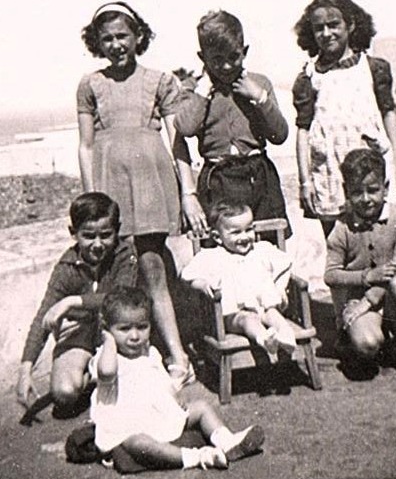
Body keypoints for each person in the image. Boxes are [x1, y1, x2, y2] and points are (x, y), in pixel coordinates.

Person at [78, 1, 206, 384]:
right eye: (107, 39)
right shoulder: (90, 85)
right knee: (116, 274)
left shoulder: (160, 80)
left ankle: (179, 356)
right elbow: (86, 146)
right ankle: (122, 365)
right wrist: (91, 202)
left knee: (153, 269)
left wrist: (188, 192)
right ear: (97, 42)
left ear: (138, 37)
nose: (116, 44)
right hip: (110, 186)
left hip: (151, 184)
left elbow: (178, 140)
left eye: (123, 36)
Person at [89, 285, 265, 471]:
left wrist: (173, 394)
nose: (135, 336)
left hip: (157, 415)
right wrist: (108, 340)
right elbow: (107, 373)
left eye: (142, 327)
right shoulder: (106, 357)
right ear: (107, 329)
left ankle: (226, 441)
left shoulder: (150, 353)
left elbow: (160, 379)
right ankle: (197, 457)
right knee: (139, 443)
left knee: (201, 408)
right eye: (124, 329)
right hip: (128, 425)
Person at [292, 0, 396, 237]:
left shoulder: (373, 68)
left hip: (372, 169)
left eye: (333, 25)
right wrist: (305, 181)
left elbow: (389, 114)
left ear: (350, 25)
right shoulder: (309, 77)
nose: (326, 33)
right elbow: (303, 130)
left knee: (382, 237)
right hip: (331, 173)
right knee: (340, 242)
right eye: (319, 28)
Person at [16, 192, 139, 416]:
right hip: (81, 333)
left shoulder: (124, 254)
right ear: (73, 233)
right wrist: (26, 370)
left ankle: (105, 372)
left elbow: (120, 297)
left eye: (106, 235)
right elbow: (43, 316)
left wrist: (72, 302)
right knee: (64, 393)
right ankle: (91, 375)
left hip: (113, 331)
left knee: (136, 385)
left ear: (117, 230)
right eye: (89, 236)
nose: (98, 244)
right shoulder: (67, 267)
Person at [174, 9, 291, 241]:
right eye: (217, 59)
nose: (227, 66)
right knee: (221, 244)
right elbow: (185, 127)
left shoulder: (259, 83)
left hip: (259, 176)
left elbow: (280, 134)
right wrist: (203, 93)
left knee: (268, 244)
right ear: (202, 57)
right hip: (218, 180)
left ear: (244, 51)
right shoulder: (194, 89)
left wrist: (260, 98)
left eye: (233, 57)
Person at [324, 148, 396, 379]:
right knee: (368, 344)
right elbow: (330, 275)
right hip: (357, 300)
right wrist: (366, 277)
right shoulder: (342, 227)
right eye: (356, 192)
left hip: (389, 297)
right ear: (346, 191)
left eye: (372, 190)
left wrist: (368, 301)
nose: (365, 199)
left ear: (386, 187)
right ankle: (355, 339)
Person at [181, 200, 296, 357]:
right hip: (233, 315)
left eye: (248, 229)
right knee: (247, 319)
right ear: (217, 237)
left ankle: (286, 336)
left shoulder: (261, 250)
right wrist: (202, 284)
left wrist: (280, 287)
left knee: (273, 313)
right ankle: (264, 339)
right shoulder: (212, 256)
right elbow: (187, 276)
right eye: (236, 232)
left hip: (263, 307)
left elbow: (285, 264)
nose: (244, 237)